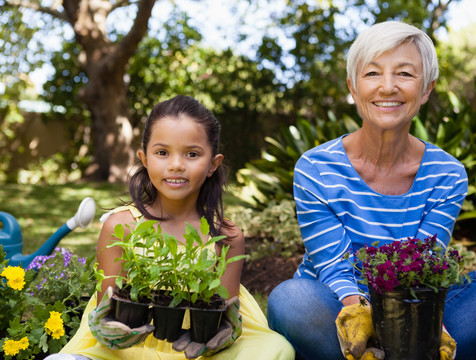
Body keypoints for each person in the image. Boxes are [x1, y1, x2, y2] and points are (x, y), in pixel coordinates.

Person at [267, 21, 476, 360]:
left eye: (404, 74)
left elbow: (426, 260)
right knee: (291, 300)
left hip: (413, 305)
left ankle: (398, 351)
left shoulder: (447, 174)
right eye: (372, 73)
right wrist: (361, 315)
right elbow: (334, 266)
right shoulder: (316, 168)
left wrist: (428, 324)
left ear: (426, 90)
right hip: (336, 303)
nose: (387, 87)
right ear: (353, 86)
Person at [45, 95, 295, 360]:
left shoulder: (226, 236)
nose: (176, 164)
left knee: (277, 350)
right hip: (126, 350)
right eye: (162, 152)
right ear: (145, 159)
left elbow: (223, 312)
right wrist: (108, 329)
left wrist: (225, 332)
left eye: (192, 154)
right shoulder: (122, 225)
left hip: (197, 351)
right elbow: (106, 306)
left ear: (213, 164)